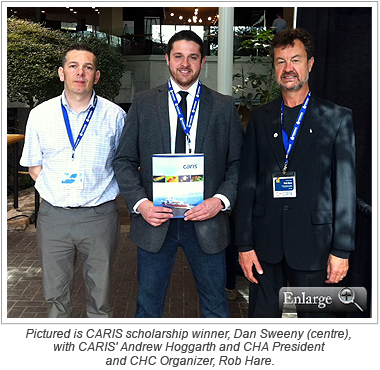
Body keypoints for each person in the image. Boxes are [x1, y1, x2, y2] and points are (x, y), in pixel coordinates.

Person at [113, 30, 244, 318]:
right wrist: (140, 204)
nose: (185, 63)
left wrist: (220, 200)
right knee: (148, 306)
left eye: (193, 57)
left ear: (203, 61)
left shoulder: (223, 107)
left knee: (215, 307)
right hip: (155, 220)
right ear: (168, 60)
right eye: (179, 56)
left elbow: (238, 164)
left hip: (206, 221)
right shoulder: (144, 103)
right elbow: (123, 160)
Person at [235, 28, 356, 318]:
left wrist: (342, 250)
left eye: (295, 60)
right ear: (274, 68)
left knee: (318, 335)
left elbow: (345, 189)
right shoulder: (260, 118)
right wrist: (244, 244)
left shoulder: (338, 118)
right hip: (265, 249)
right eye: (280, 61)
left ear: (310, 64)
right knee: (261, 332)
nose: (288, 68)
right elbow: (247, 184)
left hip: (316, 247)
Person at [20, 44, 127, 318]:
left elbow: (124, 164)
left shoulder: (115, 116)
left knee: (100, 298)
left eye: (88, 67)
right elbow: (34, 165)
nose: (80, 73)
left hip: (99, 217)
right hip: (54, 216)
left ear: (97, 75)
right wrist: (55, 192)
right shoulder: (40, 115)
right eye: (73, 66)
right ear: (61, 73)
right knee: (55, 296)